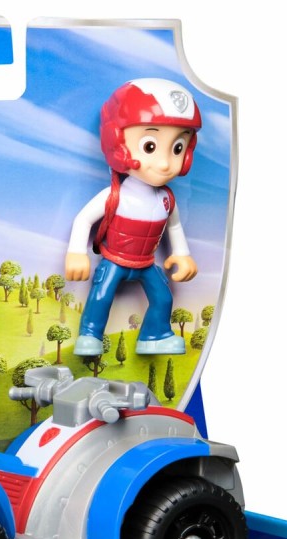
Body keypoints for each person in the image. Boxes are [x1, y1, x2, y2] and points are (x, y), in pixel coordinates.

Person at [66, 78, 201, 356]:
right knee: (101, 295)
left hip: (146, 262)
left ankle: (155, 334)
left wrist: (182, 254)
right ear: (118, 143)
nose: (164, 163)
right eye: (150, 146)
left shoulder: (166, 199)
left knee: (163, 297)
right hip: (115, 259)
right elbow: (83, 219)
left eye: (177, 148)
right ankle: (90, 335)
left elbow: (174, 226)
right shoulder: (116, 195)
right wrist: (76, 252)